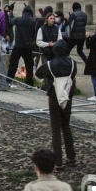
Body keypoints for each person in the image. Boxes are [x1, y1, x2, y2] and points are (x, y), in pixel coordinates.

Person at [35, 41, 77, 172]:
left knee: (55, 129)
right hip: (67, 96)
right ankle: (72, 157)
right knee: (66, 126)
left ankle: (58, 162)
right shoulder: (73, 63)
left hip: (54, 96)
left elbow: (38, 73)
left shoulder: (50, 64)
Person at [6, 5, 36, 86]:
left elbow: (11, 21)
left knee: (13, 63)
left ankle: (9, 80)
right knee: (29, 65)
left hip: (18, 45)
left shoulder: (19, 19)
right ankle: (29, 82)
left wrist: (11, 12)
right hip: (28, 46)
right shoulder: (33, 21)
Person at [84, 25, 96, 101]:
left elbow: (88, 46)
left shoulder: (94, 37)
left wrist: (87, 38)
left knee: (94, 77)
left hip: (93, 59)